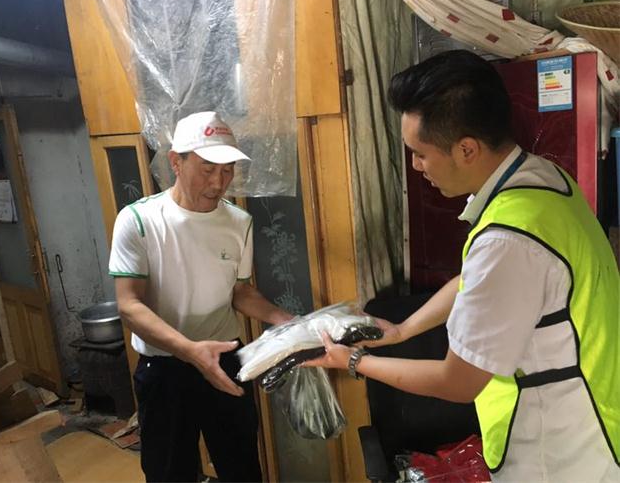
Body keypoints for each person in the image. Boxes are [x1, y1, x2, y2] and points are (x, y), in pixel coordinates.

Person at [306, 50, 619, 482]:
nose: (416, 166)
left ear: (466, 149)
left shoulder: (507, 240)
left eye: (420, 153)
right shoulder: (544, 180)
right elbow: (479, 280)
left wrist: (354, 361)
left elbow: (458, 381)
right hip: (597, 414)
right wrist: (402, 330)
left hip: (560, 453)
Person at [109, 111, 292, 482]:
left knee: (242, 467)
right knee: (169, 472)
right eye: (207, 169)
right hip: (164, 367)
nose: (218, 182)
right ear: (176, 162)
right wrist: (190, 351)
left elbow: (239, 291)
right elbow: (129, 304)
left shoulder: (239, 222)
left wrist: (283, 320)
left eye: (227, 170)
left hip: (225, 359)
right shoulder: (139, 220)